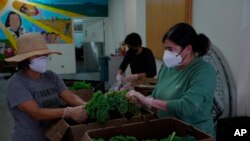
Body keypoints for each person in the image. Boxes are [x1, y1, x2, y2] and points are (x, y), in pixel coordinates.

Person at [127, 23, 216, 137]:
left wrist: (148, 101)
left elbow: (187, 106)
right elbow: (155, 97)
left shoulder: (204, 71)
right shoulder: (168, 68)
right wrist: (142, 101)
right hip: (168, 133)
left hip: (193, 135)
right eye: (165, 48)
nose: (166, 53)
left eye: (170, 49)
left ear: (188, 49)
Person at [5, 33, 88, 141]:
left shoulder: (51, 76)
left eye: (44, 55)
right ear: (24, 60)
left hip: (54, 135)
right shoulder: (16, 83)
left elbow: (70, 97)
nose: (43, 59)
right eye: (37, 56)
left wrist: (87, 106)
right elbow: (36, 113)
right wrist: (67, 112)